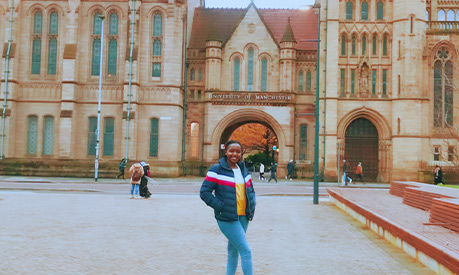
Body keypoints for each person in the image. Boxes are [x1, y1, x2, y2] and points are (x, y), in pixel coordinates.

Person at [200, 140, 256, 275]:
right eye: (231, 151)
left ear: (241, 153)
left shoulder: (243, 169)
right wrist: (221, 207)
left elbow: (250, 190)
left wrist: (252, 205)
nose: (234, 154)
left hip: (243, 216)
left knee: (233, 250)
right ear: (226, 151)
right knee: (246, 251)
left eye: (237, 151)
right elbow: (204, 192)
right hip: (227, 217)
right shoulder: (216, 169)